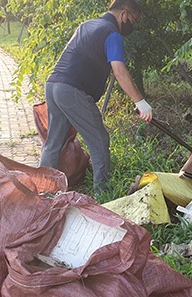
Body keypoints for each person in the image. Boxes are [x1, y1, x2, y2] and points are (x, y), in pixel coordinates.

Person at [39, 0, 152, 193]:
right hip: (72, 90)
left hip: (53, 85)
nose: (132, 24)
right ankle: (104, 195)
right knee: (99, 141)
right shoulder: (112, 34)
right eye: (133, 20)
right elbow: (119, 71)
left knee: (53, 144)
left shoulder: (87, 25)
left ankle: (42, 191)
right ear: (124, 15)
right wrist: (140, 101)